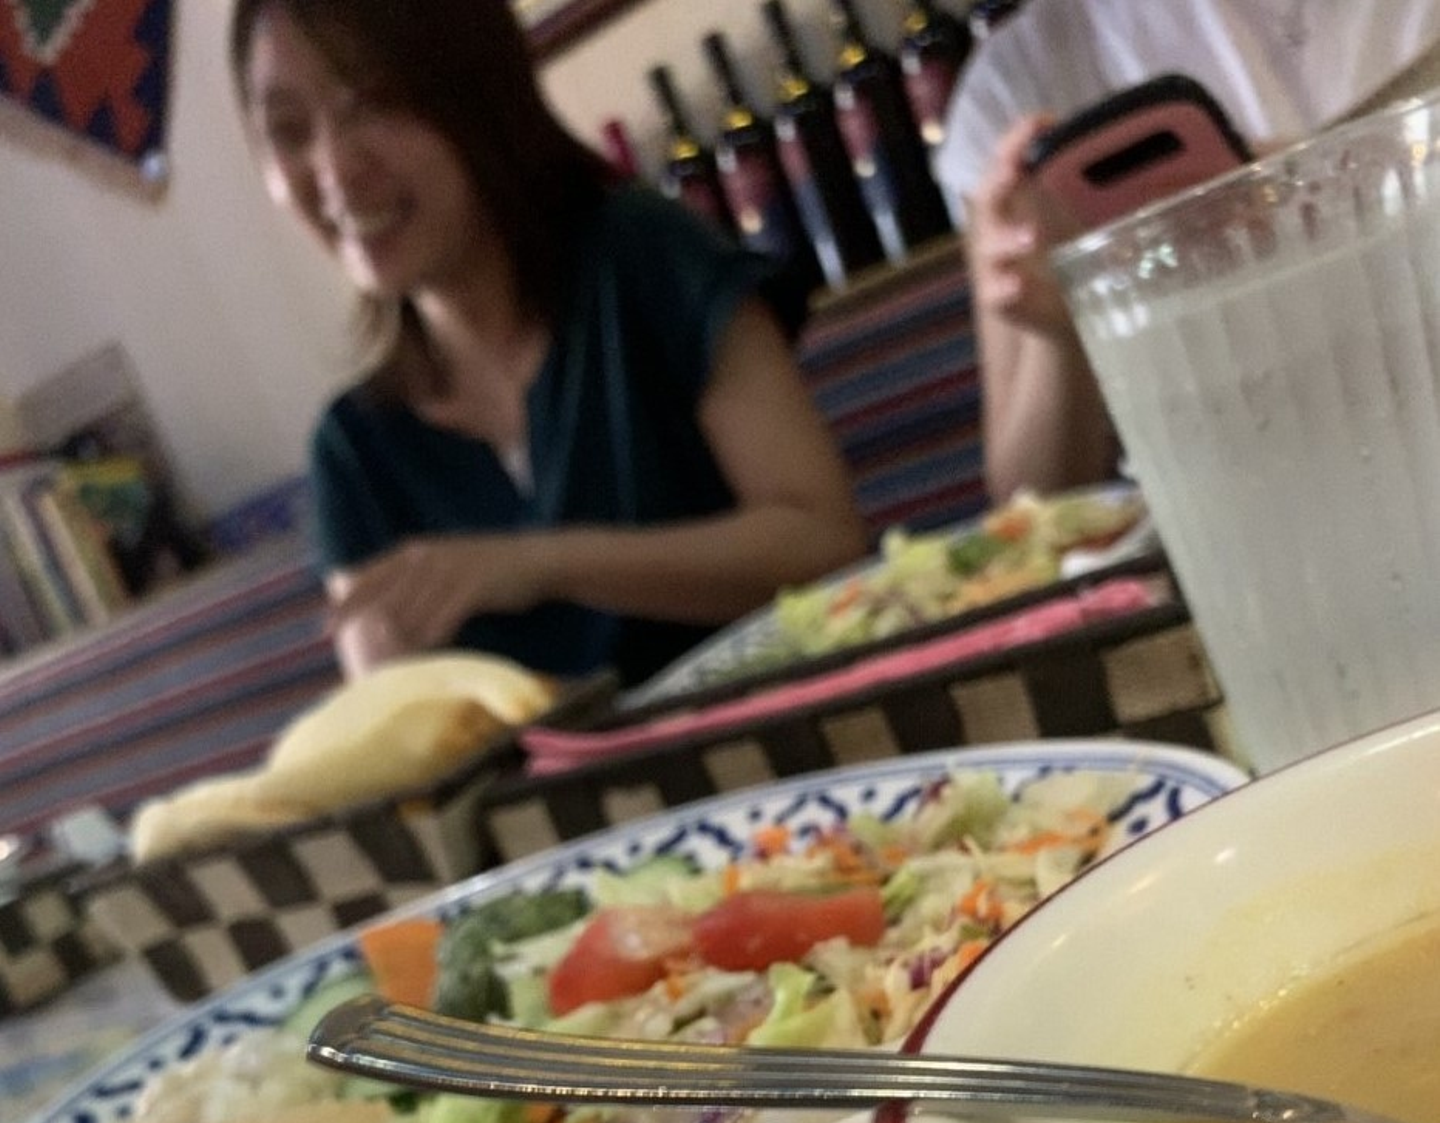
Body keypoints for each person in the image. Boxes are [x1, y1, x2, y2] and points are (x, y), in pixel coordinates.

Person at [228, 0, 868, 688]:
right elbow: (402, 716)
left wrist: (539, 565)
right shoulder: (353, 452)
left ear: (479, 94)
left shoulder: (645, 256)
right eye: (288, 132)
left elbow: (825, 544)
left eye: (375, 102)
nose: (334, 169)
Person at [935, 0, 1440, 503]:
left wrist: (1313, 183)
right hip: (1245, 496)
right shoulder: (1011, 81)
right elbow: (1031, 499)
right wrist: (1061, 332)